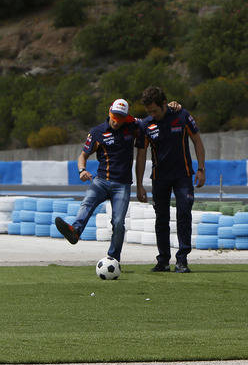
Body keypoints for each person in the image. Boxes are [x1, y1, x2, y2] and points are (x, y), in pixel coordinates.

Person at [54, 99, 143, 262]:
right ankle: (75, 231)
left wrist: (172, 108)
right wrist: (82, 170)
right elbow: (83, 155)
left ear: (127, 117)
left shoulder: (133, 127)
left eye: (121, 117)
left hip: (122, 185)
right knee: (87, 204)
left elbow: (152, 120)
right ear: (109, 112)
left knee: (118, 222)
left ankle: (113, 258)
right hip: (101, 181)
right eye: (115, 115)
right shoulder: (97, 132)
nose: (117, 120)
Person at [136, 86, 206, 274]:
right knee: (161, 219)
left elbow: (197, 141)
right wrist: (140, 184)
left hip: (183, 176)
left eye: (155, 110)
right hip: (159, 178)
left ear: (164, 104)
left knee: (184, 214)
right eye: (148, 111)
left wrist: (201, 169)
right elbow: (141, 155)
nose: (152, 114)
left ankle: (182, 260)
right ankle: (163, 260)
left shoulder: (182, 115)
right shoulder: (145, 125)